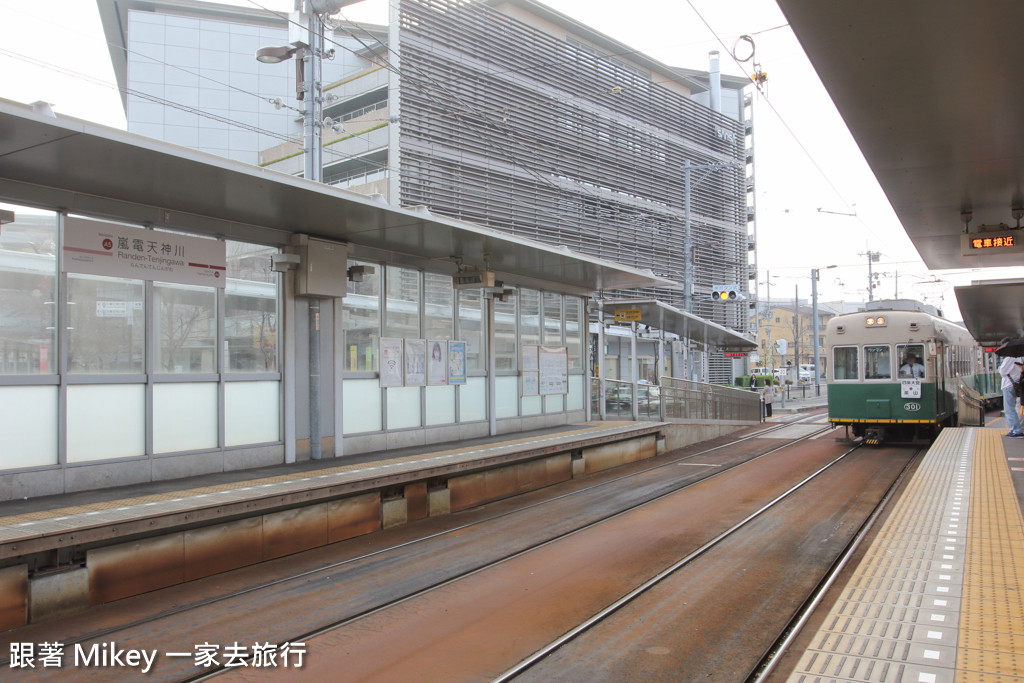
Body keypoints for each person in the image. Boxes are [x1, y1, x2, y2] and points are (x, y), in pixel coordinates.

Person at [999, 355, 1024, 438]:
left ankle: (1016, 430)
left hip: (1008, 385)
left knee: (1009, 409)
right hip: (1016, 383)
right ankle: (1017, 429)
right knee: (1012, 408)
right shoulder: (1020, 357)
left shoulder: (1010, 358)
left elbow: (1002, 371)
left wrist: (1000, 368)